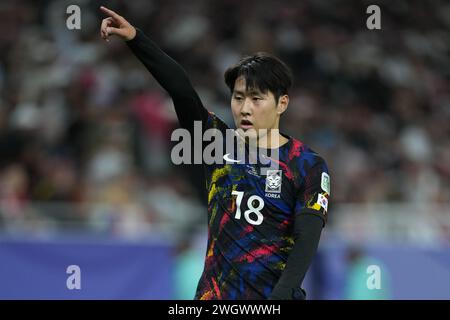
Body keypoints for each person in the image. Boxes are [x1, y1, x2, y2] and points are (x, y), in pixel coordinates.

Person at [99, 6, 331, 300]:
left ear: (282, 104)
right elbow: (182, 91)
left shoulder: (307, 164)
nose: (244, 108)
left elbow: (307, 238)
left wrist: (282, 295)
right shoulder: (218, 144)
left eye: (256, 99)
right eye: (238, 98)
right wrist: (136, 38)